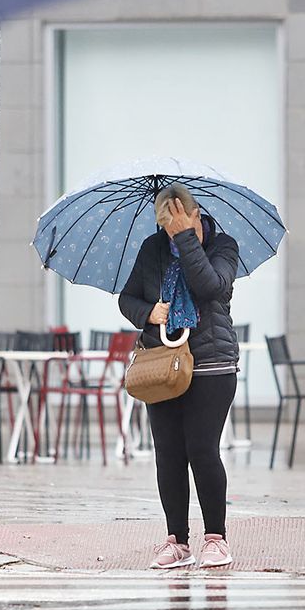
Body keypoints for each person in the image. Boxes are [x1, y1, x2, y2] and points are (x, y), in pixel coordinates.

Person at [119, 184, 241, 570]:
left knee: (202, 451)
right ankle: (177, 541)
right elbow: (127, 299)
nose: (167, 231)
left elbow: (209, 286)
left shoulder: (223, 247)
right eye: (163, 225)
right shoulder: (152, 250)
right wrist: (148, 313)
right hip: (163, 365)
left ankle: (216, 539)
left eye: (174, 222)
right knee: (168, 455)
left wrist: (186, 239)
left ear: (194, 215)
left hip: (210, 364)